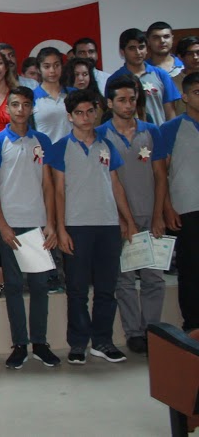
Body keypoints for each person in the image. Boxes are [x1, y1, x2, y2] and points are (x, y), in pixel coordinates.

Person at [48, 88, 137, 365]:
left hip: (108, 225)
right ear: (70, 117)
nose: (86, 118)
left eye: (90, 112)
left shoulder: (106, 144)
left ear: (97, 112)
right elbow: (58, 191)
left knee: (106, 288)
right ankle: (78, 344)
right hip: (76, 226)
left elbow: (116, 185)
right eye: (79, 113)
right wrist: (61, 229)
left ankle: (102, 341)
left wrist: (129, 220)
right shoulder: (60, 147)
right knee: (76, 290)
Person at [0, 87, 61, 369]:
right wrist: (2, 225)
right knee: (14, 286)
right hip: (11, 225)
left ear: (32, 109)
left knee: (40, 285)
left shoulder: (41, 141)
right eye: (14, 105)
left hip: (37, 224)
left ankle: (40, 343)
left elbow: (48, 185)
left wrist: (51, 224)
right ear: (7, 109)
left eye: (25, 105)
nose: (20, 110)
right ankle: (20, 344)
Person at [98, 75, 168, 355]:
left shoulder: (152, 130)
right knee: (124, 278)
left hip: (150, 213)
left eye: (133, 99)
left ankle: (153, 330)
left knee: (154, 277)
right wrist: (121, 219)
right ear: (110, 103)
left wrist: (159, 214)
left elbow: (161, 175)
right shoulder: (101, 133)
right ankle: (134, 333)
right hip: (116, 217)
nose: (129, 105)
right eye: (123, 100)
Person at [161, 71, 199, 331]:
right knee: (191, 269)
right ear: (184, 96)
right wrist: (167, 207)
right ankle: (193, 324)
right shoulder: (171, 128)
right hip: (186, 207)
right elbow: (161, 172)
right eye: (196, 92)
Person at [109, 28, 180, 126]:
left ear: (147, 49)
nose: (138, 52)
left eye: (141, 47)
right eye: (132, 48)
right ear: (122, 52)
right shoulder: (114, 79)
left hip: (159, 136)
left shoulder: (161, 75)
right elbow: (112, 114)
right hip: (127, 137)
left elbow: (170, 113)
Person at [31, 47, 71, 143]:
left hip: (73, 152)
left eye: (56, 65)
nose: (52, 70)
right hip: (44, 153)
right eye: (47, 66)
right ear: (39, 69)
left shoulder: (73, 94)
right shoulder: (31, 97)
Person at [61, 57, 107, 124]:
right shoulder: (61, 99)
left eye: (85, 74)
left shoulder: (99, 101)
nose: (81, 78)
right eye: (76, 74)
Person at [173, 36, 199, 116]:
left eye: (198, 53)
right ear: (180, 57)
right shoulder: (172, 82)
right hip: (184, 126)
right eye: (190, 54)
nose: (195, 57)